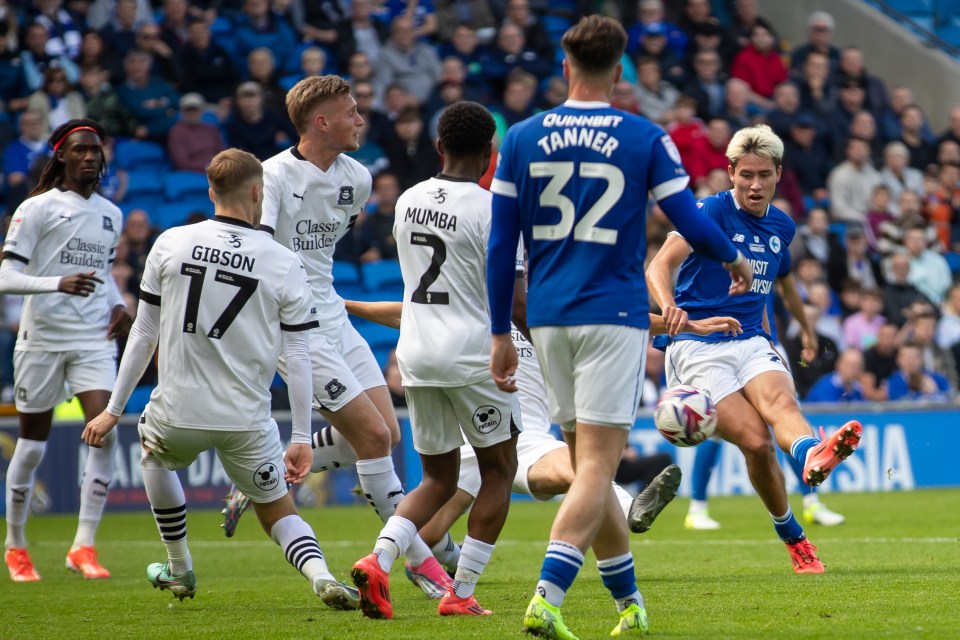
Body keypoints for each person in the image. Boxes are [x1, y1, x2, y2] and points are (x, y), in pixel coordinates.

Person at [486, 16, 754, 639]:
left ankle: (630, 605)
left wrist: (502, 330)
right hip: (613, 314)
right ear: (620, 71)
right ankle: (547, 599)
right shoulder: (643, 136)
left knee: (587, 467)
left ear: (564, 67)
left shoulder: (521, 137)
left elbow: (503, 247)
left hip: (548, 317)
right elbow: (687, 216)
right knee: (599, 470)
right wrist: (734, 257)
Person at [80, 148, 359, 609]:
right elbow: (299, 353)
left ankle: (180, 566)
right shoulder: (282, 261)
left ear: (211, 192)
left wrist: (113, 410)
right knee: (275, 510)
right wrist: (303, 435)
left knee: (153, 457)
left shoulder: (170, 242)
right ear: (257, 192)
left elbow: (143, 331)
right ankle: (322, 576)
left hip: (178, 412)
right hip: (247, 419)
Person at [249, 75, 450, 598]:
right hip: (293, 325)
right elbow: (263, 257)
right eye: (352, 111)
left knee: (388, 434)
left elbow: (327, 250)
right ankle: (422, 565)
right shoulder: (272, 177)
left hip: (334, 314)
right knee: (375, 439)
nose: (361, 119)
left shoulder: (358, 177)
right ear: (321, 121)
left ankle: (263, 472)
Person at [646, 124, 864, 576]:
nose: (755, 185)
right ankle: (796, 540)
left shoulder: (782, 226)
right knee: (757, 443)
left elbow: (783, 283)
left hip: (750, 338)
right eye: (746, 174)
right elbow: (658, 265)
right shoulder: (707, 213)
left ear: (779, 174)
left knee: (781, 401)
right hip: (697, 345)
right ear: (730, 173)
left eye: (764, 175)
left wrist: (804, 329)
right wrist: (669, 308)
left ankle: (811, 455)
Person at [348, 101, 516, 620]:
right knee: (500, 469)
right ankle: (460, 594)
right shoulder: (492, 210)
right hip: (470, 355)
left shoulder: (406, 201)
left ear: (439, 146)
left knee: (436, 479)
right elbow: (517, 293)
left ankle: (378, 559)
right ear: (491, 153)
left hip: (417, 354)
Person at [0, 119, 133, 582]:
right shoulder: (36, 208)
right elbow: (6, 277)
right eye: (80, 150)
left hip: (92, 339)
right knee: (32, 446)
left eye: (96, 150)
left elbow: (101, 276)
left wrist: (119, 306)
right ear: (61, 155)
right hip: (42, 340)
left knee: (106, 430)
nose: (91, 156)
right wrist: (58, 283)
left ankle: (84, 546)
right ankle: (16, 545)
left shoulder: (111, 214)